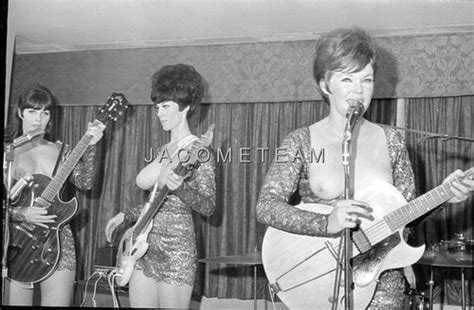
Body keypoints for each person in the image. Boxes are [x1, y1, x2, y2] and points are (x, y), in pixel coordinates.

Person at [256, 27, 473, 309]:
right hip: (320, 280)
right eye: (347, 79)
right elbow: (265, 206)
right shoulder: (299, 140)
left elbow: (405, 218)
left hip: (383, 284)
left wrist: (444, 197)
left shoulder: (392, 140)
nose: (358, 90)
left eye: (366, 80)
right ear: (325, 85)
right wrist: (325, 222)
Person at [105, 64, 216, 308]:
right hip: (142, 247)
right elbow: (155, 201)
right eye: (157, 107)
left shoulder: (199, 150)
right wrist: (127, 215)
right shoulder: (161, 151)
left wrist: (181, 188)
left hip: (177, 251)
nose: (159, 113)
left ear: (185, 107)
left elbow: (208, 206)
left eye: (165, 106)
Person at [4, 84, 105, 306]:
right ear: (20, 112)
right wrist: (22, 213)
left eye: (45, 112)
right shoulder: (7, 152)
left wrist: (92, 147)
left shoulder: (62, 150)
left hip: (59, 240)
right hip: (17, 243)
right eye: (32, 111)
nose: (39, 118)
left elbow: (85, 182)